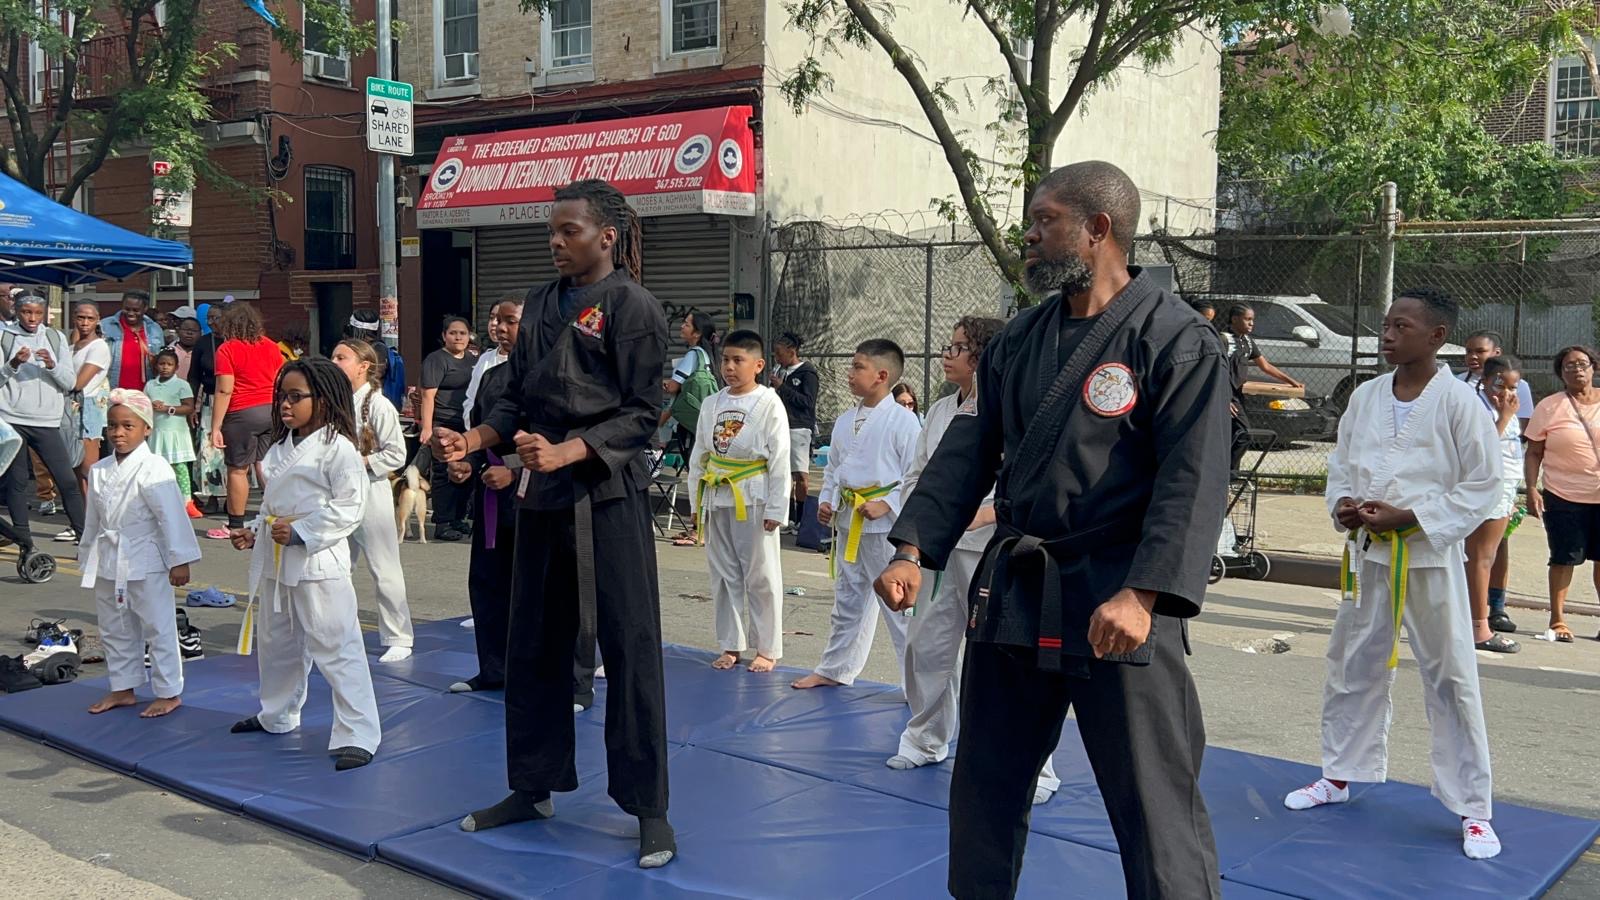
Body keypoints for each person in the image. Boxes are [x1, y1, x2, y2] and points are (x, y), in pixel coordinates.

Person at [877, 161, 1229, 899]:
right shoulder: (1020, 338)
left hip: (1118, 591)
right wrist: (914, 549)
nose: (1029, 236)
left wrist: (1144, 593)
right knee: (986, 782)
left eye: (1046, 221)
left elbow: (1191, 480)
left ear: (1098, 229)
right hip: (1019, 585)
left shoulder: (1176, 338)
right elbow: (971, 447)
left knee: (1154, 800)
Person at [432, 178, 677, 869]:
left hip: (607, 496)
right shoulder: (540, 302)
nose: (556, 242)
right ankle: (531, 787)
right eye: (551, 231)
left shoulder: (633, 306)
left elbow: (643, 412)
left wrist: (572, 450)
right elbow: (515, 396)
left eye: (570, 231)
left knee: (628, 646)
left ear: (607, 236)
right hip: (541, 496)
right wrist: (473, 440)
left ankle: (650, 810)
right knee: (534, 642)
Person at [1282, 287, 1502, 861]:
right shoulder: (1366, 396)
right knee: (1352, 664)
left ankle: (1473, 808)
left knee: (1451, 676)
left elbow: (1484, 485)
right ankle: (1339, 773)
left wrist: (1413, 516)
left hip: (1429, 558)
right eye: (1386, 325)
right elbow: (1341, 464)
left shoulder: (1460, 403)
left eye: (1401, 327)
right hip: (1367, 555)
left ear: (1436, 337)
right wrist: (1342, 505)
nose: (1387, 335)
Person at [885, 316, 1063, 805]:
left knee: (1011, 659)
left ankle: (1037, 768)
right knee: (925, 647)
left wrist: (979, 514)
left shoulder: (1020, 408)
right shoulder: (942, 410)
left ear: (985, 357)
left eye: (959, 347)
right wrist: (923, 530)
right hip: (940, 549)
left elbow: (1029, 486)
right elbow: (920, 475)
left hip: (995, 549)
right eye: (948, 346)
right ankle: (925, 738)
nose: (948, 354)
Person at [228, 357, 382, 772]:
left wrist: (301, 532)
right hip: (278, 559)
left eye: (296, 397)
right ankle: (277, 714)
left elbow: (350, 508)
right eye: (282, 396)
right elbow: (274, 507)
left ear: (324, 400)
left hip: (317, 560)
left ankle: (358, 732)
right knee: (277, 644)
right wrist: (255, 531)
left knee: (336, 646)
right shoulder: (282, 447)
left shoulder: (340, 449)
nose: (285, 404)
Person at [791, 339, 922, 691]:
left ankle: (917, 685)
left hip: (885, 528)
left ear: (882, 375)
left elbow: (916, 474)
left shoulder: (903, 421)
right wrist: (828, 500)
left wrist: (888, 503)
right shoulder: (846, 420)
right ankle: (835, 669)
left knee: (898, 606)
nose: (850, 373)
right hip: (850, 520)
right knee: (848, 601)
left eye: (857, 367)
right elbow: (834, 469)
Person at [79, 389, 201, 719]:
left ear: (147, 428)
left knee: (158, 626)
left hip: (146, 556)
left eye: (128, 426)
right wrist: (87, 554)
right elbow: (94, 520)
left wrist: (179, 559)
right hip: (109, 555)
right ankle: (123, 687)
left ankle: (168, 691)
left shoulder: (155, 467)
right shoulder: (99, 469)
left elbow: (171, 515)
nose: (118, 433)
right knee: (114, 625)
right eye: (112, 426)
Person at [687, 329, 789, 672]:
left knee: (761, 574)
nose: (729, 367)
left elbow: (780, 460)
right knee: (723, 573)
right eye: (725, 360)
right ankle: (730, 644)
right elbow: (699, 456)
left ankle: (768, 648)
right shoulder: (712, 403)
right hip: (717, 494)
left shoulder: (769, 402)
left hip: (754, 495)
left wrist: (777, 507)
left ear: (758, 365)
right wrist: (695, 502)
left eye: (738, 360)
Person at [448, 297, 525, 694]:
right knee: (487, 579)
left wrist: (514, 470)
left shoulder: (551, 375)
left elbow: (557, 438)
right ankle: (494, 668)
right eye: (498, 320)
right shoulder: (492, 374)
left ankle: (544, 674)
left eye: (512, 321)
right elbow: (480, 426)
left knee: (532, 588)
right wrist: (468, 461)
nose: (502, 328)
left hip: (534, 491)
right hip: (491, 487)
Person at [331, 338, 415, 664]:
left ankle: (399, 635)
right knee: (337, 567)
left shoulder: (379, 405)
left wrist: (360, 461)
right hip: (339, 492)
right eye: (334, 356)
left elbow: (396, 454)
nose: (335, 362)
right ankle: (337, 631)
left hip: (371, 490)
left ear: (363, 366)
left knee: (383, 566)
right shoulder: (334, 402)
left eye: (342, 357)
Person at [1524, 344, 1600, 644]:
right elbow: (1533, 453)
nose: (1577, 370)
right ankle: (1557, 620)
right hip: (1563, 495)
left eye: (1582, 363)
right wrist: (1532, 488)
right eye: (1569, 366)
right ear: (1561, 373)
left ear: (1593, 367)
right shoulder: (1550, 407)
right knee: (1563, 558)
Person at [0, 292, 87, 546]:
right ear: (17, 311)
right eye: (27, 312)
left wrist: (52, 365)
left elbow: (70, 382)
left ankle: (84, 538)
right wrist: (13, 364)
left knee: (67, 481)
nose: (32, 318)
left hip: (47, 421)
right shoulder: (5, 336)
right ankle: (25, 542)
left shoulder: (55, 337)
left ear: (45, 313)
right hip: (13, 419)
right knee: (17, 483)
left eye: (38, 313)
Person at [1463, 354, 1523, 653]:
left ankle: (1472, 623)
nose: (1506, 393)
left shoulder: (1505, 408)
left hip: (1505, 488)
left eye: (1513, 387)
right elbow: (1482, 451)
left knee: (1487, 555)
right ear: (1485, 381)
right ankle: (1478, 628)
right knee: (1480, 557)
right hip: (1485, 487)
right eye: (1500, 385)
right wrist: (1505, 417)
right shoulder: (1479, 408)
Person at [208, 303, 283, 540]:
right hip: (271, 410)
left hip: (241, 413)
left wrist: (216, 427)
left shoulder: (227, 350)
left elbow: (224, 390)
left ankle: (234, 525)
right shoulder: (271, 346)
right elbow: (281, 379)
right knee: (265, 465)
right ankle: (278, 517)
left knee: (238, 470)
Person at [662, 312, 721, 546]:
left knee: (696, 475)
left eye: (687, 324)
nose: (682, 327)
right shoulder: (709, 357)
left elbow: (673, 387)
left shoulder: (693, 355)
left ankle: (699, 530)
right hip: (703, 423)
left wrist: (661, 384)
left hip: (690, 425)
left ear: (697, 332)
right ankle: (701, 527)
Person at [1224, 303, 1303, 469]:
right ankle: (1228, 473)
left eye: (1252, 319)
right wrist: (1223, 398)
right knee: (1243, 434)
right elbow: (1215, 369)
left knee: (1235, 435)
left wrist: (1290, 381)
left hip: (1238, 395)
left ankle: (1231, 474)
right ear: (1235, 319)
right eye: (1247, 319)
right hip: (1226, 396)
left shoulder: (1247, 341)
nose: (1251, 323)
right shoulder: (1224, 340)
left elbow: (1265, 366)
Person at [420, 316, 477, 541]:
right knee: (444, 473)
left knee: (464, 471)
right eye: (453, 333)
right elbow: (427, 396)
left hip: (466, 425)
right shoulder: (436, 360)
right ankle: (442, 523)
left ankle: (457, 519)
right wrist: (427, 428)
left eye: (463, 333)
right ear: (444, 336)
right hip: (443, 424)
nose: (458, 337)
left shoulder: (473, 359)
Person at [771, 331, 819, 530]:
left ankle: (801, 518)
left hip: (799, 427)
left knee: (800, 475)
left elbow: (808, 402)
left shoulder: (807, 373)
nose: (777, 358)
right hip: (782, 426)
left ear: (792, 351)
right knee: (784, 473)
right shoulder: (781, 371)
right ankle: (788, 516)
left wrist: (783, 387)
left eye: (779, 353)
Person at [69, 300, 112, 500]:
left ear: (97, 320)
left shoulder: (99, 346)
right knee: (76, 467)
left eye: (90, 318)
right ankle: (83, 514)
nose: (85, 322)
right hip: (71, 408)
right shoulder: (72, 347)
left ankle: (95, 512)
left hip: (87, 408)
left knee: (88, 468)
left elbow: (78, 383)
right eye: (81, 317)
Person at [144, 349, 198, 505]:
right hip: (157, 433)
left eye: (169, 364)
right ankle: (159, 500)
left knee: (180, 467)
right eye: (162, 364)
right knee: (157, 468)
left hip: (176, 433)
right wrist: (151, 405)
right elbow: (143, 405)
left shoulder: (182, 385)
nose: (165, 367)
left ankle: (186, 501)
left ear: (176, 367)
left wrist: (168, 408)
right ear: (156, 366)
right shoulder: (150, 385)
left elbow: (189, 407)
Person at [1460, 330, 1534, 432]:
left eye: (1480, 351)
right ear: (1484, 382)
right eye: (1469, 352)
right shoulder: (1457, 383)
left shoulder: (1520, 385)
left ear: (1497, 353)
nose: (1473, 356)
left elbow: (1523, 426)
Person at [101, 290, 165, 392]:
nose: (130, 313)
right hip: (113, 390)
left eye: (136, 310)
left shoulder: (154, 329)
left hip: (145, 391)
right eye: (127, 309)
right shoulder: (105, 325)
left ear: (145, 308)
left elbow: (162, 359)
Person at [346, 310, 406, 409]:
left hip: (372, 405)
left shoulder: (378, 349)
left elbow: (374, 376)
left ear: (358, 330)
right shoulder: (359, 348)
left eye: (351, 328)